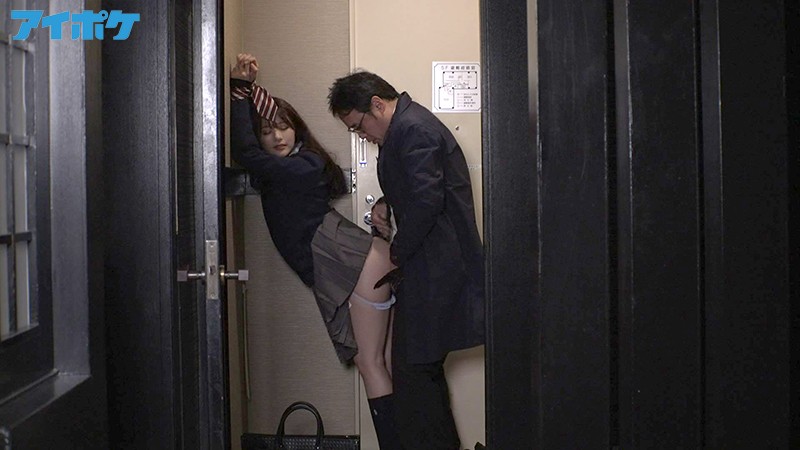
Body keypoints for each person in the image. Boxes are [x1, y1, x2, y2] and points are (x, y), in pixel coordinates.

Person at [228, 54, 400, 449]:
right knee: (385, 364)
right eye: (267, 130)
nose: (278, 136)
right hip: (363, 261)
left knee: (371, 363)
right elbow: (252, 156)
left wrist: (240, 91)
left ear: (298, 129)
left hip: (360, 262)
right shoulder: (285, 171)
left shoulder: (302, 166)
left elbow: (247, 154)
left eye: (284, 126)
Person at [328, 71, 485, 450]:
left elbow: (428, 201)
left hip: (439, 268)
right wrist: (386, 203)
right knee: (417, 368)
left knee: (415, 369)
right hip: (432, 266)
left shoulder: (414, 129)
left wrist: (396, 252)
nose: (361, 135)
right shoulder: (406, 128)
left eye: (358, 126)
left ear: (377, 105)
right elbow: (420, 187)